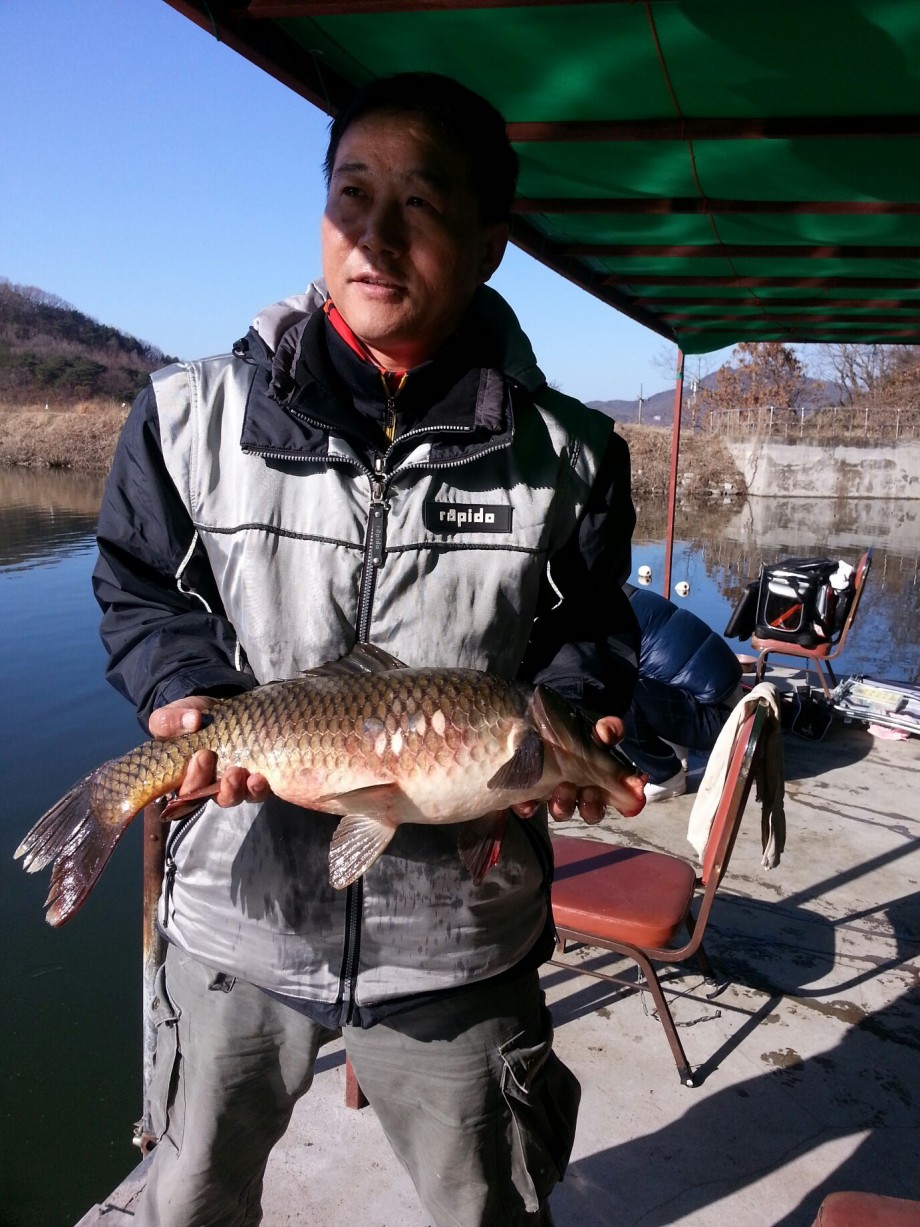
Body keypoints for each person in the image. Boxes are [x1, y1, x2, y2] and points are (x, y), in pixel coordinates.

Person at [92, 73, 640, 1227]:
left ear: (488, 243)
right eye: (352, 194)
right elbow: (141, 592)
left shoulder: (574, 454)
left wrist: (580, 703)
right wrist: (186, 695)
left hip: (460, 949)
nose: (374, 237)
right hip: (233, 923)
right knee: (187, 1202)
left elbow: (588, 628)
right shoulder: (184, 414)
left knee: (489, 1208)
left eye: (420, 203)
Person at [620, 582, 744, 802]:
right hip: (728, 702)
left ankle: (665, 777)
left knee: (612, 693)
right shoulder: (626, 595)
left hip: (721, 720)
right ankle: (676, 754)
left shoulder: (606, 619)